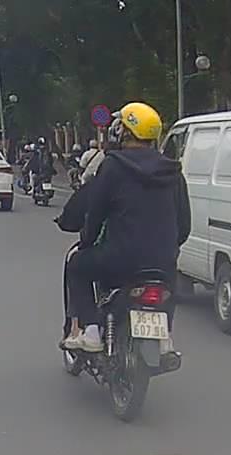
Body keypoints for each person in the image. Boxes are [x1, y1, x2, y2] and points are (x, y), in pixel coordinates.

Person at [60, 101, 190, 352]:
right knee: (167, 282)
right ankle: (166, 338)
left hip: (118, 259)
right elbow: (184, 224)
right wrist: (168, 248)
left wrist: (86, 241)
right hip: (162, 262)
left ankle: (91, 331)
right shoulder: (173, 171)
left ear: (124, 132)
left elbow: (96, 212)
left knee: (77, 265)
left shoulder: (113, 166)